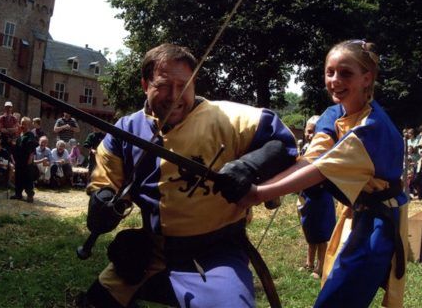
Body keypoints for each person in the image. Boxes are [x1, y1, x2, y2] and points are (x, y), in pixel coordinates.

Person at [80, 43, 297, 308]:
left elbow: (283, 145)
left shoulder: (227, 118)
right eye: (163, 85)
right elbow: (105, 181)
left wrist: (249, 166)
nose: (175, 96)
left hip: (216, 252)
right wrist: (102, 201)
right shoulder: (125, 131)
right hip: (151, 252)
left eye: (183, 85)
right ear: (144, 85)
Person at [234, 40, 408, 308]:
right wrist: (263, 182)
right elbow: (312, 158)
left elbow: (319, 170)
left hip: (378, 225)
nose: (335, 80)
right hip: (358, 214)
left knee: (338, 299)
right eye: (330, 72)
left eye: (346, 73)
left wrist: (258, 193)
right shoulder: (335, 112)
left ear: (367, 78)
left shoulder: (371, 129)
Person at [296, 116, 335, 279]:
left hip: (321, 195)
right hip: (307, 195)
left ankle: (320, 267)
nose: (311, 135)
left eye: (315, 132)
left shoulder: (326, 151)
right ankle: (309, 262)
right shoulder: (305, 149)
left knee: (321, 233)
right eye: (309, 132)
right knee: (309, 230)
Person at [10, 117, 38, 203]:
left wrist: (30, 159)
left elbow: (32, 149)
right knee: (18, 177)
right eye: (22, 123)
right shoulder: (20, 135)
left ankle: (30, 195)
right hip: (19, 161)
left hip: (26, 161)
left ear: (28, 125)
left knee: (27, 178)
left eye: (24, 123)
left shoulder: (30, 135)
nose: (22, 125)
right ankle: (18, 194)